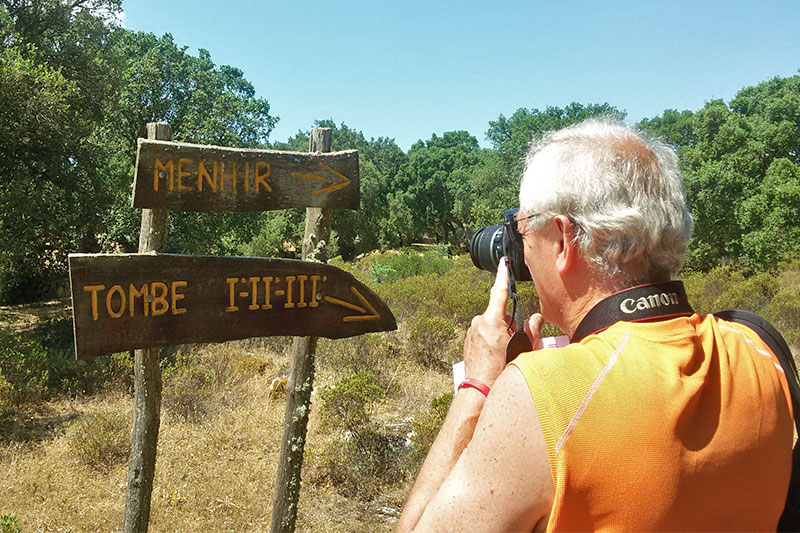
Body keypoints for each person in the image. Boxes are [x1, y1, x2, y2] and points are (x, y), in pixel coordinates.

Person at [397, 119, 793, 531]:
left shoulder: (542, 394)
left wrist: (477, 388)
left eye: (523, 229)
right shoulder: (759, 345)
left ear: (565, 239)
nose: (523, 253)